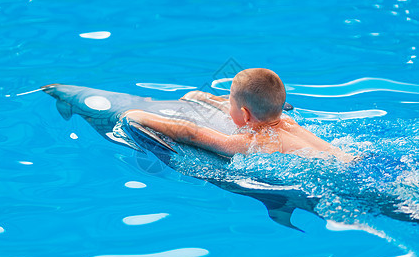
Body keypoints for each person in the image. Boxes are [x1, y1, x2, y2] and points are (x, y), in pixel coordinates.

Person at [122, 68, 354, 162]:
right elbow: (246, 111)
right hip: (356, 158)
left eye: (229, 100)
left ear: (244, 113)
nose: (226, 103)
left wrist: (139, 116)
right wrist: (205, 98)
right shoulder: (286, 121)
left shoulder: (252, 141)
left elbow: (192, 134)